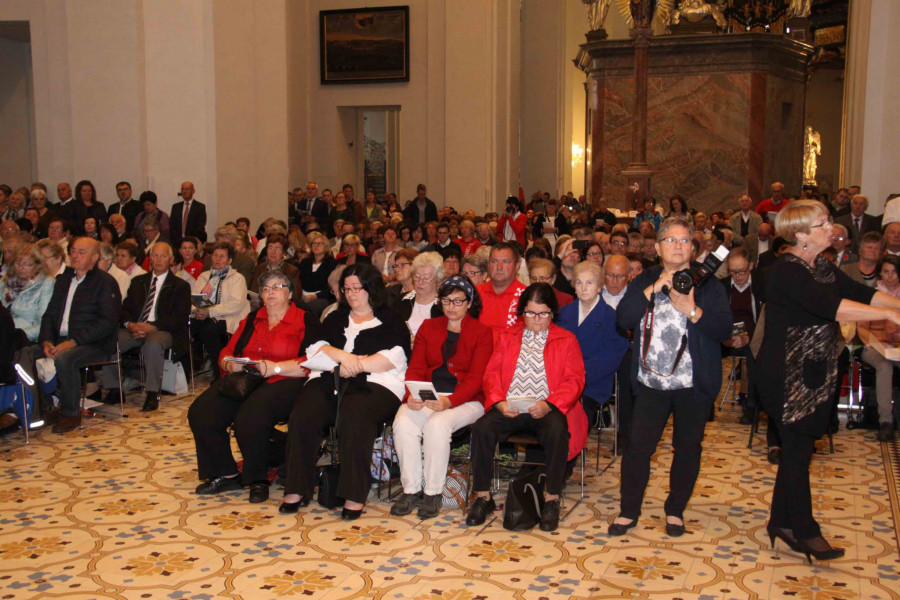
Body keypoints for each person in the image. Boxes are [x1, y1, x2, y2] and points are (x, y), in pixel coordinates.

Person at [757, 200, 900, 561]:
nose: (831, 229)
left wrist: (896, 307)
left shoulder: (820, 265)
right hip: (785, 376)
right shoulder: (786, 271)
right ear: (801, 234)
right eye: (823, 224)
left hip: (812, 372)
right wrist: (887, 317)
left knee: (800, 449)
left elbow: (860, 292)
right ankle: (805, 531)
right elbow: (832, 307)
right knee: (797, 451)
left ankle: (780, 523)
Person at [610, 216, 732, 538]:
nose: (678, 246)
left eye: (684, 241)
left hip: (692, 384)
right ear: (658, 247)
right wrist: (653, 289)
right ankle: (628, 510)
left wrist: (691, 309)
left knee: (687, 448)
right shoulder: (645, 279)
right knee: (638, 448)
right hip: (651, 382)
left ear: (693, 248)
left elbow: (723, 330)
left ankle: (675, 510)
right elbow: (623, 319)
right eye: (671, 240)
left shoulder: (708, 283)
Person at [281, 263, 411, 519]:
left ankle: (354, 493)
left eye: (357, 288)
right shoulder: (335, 317)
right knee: (304, 413)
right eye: (347, 289)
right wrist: (343, 358)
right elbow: (314, 348)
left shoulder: (392, 319)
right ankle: (297, 487)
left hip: (377, 381)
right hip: (330, 377)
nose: (351, 294)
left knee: (355, 415)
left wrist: (355, 365)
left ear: (371, 289)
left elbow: (394, 357)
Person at [465, 283, 587, 532]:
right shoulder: (508, 336)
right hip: (510, 406)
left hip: (547, 407)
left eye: (543, 313)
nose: (537, 319)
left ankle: (551, 498)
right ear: (522, 313)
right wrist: (499, 402)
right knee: (481, 429)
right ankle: (483, 496)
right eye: (531, 313)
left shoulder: (566, 339)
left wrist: (550, 404)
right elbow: (492, 374)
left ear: (552, 313)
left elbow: (574, 380)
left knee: (557, 432)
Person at [188, 270, 318, 503]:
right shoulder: (252, 318)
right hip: (245, 379)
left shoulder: (305, 319)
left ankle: (258, 479)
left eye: (277, 287)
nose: (270, 292)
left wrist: (275, 367)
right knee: (201, 412)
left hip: (286, 379)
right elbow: (227, 351)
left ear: (290, 293)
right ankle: (225, 473)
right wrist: (228, 364)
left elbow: (313, 360)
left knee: (249, 417)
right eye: (266, 288)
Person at [391, 275, 494, 519]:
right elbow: (416, 367)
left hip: (467, 399)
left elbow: (476, 379)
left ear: (469, 303)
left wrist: (450, 401)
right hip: (430, 394)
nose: (451, 306)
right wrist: (411, 395)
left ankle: (433, 492)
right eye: (446, 300)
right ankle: (411, 489)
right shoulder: (429, 327)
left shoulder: (482, 332)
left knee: (437, 425)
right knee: (403, 421)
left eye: (458, 301)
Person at [37, 238, 122, 433]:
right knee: (24, 354)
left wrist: (74, 342)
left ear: (95, 257)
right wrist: (46, 340)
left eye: (81, 252)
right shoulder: (63, 280)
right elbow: (50, 315)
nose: (75, 255)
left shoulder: (105, 282)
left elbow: (107, 322)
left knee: (65, 359)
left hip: (94, 343)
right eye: (73, 251)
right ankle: (47, 407)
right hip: (60, 339)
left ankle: (70, 413)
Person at [105, 242, 191, 412]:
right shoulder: (138, 281)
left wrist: (152, 327)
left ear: (171, 260)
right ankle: (114, 389)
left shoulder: (180, 286)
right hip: (135, 329)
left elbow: (179, 317)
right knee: (111, 339)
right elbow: (124, 309)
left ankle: (152, 392)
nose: (158, 259)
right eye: (155, 255)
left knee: (153, 345)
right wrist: (130, 325)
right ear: (150, 259)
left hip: (162, 330)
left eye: (163, 256)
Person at [558, 261, 628, 423]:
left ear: (599, 287)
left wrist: (578, 375)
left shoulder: (611, 317)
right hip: (561, 379)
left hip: (592, 382)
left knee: (574, 418)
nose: (583, 288)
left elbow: (611, 357)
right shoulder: (562, 314)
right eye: (579, 283)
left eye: (589, 283)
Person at [192, 242, 251, 379]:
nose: (217, 259)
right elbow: (194, 298)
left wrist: (210, 312)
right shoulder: (204, 276)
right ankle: (186, 369)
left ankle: (218, 373)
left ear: (230, 260)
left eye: (222, 256)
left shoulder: (237, 278)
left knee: (209, 329)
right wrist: (196, 311)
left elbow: (236, 304)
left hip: (229, 318)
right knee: (185, 326)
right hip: (204, 315)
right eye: (215, 255)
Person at [859, 254, 900, 442]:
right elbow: (861, 327)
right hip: (873, 345)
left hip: (897, 347)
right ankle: (885, 422)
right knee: (884, 366)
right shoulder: (871, 295)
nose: (889, 276)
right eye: (885, 271)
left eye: (894, 272)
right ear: (880, 273)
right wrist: (873, 342)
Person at [0, 243, 55, 342]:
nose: (21, 267)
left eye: (27, 264)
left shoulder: (46, 283)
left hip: (25, 336)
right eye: (18, 263)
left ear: (38, 265)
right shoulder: (6, 280)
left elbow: (43, 323)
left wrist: (16, 336)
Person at [396, 252, 445, 340]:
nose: (420, 282)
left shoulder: (444, 305)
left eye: (426, 278)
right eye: (417, 277)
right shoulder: (401, 300)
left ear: (438, 280)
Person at [248, 233, 303, 306]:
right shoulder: (260, 267)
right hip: (261, 305)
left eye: (277, 249)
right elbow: (253, 290)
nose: (273, 252)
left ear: (283, 253)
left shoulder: (292, 271)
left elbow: (296, 296)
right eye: (270, 248)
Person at [298, 231, 337, 314]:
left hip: (321, 297)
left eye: (320, 244)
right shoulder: (305, 262)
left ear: (326, 247)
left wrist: (315, 296)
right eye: (314, 243)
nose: (316, 246)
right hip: (302, 295)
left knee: (310, 308)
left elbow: (331, 287)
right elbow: (298, 281)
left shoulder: (332, 263)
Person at [170, 181, 208, 247]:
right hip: (177, 243)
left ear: (193, 191)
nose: (184, 191)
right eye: (182, 189)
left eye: (187, 189)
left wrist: (192, 241)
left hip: (192, 243)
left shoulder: (200, 207)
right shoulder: (175, 207)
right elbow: (172, 226)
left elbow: (200, 227)